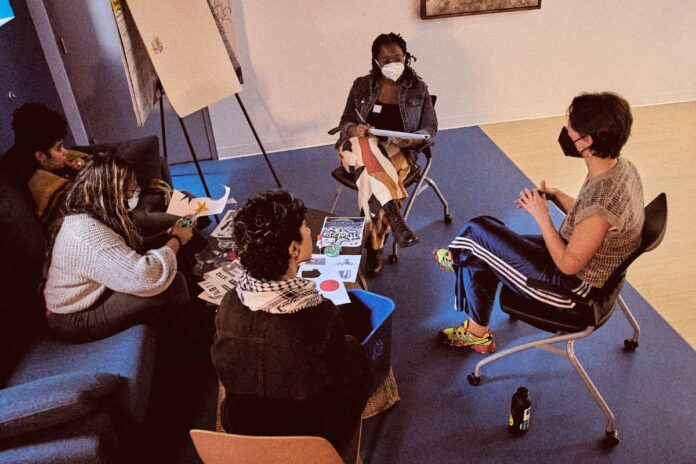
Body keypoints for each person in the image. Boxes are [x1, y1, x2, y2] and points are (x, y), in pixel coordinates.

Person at [433, 92, 644, 354]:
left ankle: (458, 260)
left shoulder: (600, 204)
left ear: (586, 141)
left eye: (571, 127)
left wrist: (541, 215)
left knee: (477, 235)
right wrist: (555, 196)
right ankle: (474, 319)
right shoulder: (621, 169)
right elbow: (589, 218)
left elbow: (568, 264)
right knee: (486, 232)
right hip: (588, 265)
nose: (566, 129)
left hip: (569, 292)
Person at [211, 191, 371, 458]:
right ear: (293, 249)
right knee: (354, 350)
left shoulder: (228, 304)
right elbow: (342, 374)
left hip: (242, 427)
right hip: (311, 435)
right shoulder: (319, 314)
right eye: (306, 228)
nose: (310, 232)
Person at [43, 154, 197, 345]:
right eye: (132, 190)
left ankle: (196, 303)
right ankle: (191, 348)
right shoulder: (89, 234)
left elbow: (130, 249)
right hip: (73, 316)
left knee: (170, 258)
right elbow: (148, 275)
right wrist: (176, 239)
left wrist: (169, 233)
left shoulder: (94, 214)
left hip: (89, 296)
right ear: (112, 193)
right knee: (173, 285)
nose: (135, 194)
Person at [335, 32, 438, 277]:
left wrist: (410, 139)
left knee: (371, 180)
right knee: (365, 144)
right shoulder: (361, 85)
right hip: (355, 150)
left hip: (397, 149)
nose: (393, 63)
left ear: (406, 57)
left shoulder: (418, 90)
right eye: (386, 59)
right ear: (376, 61)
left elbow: (430, 129)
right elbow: (344, 122)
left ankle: (375, 246)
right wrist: (354, 128)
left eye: (398, 57)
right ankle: (393, 217)